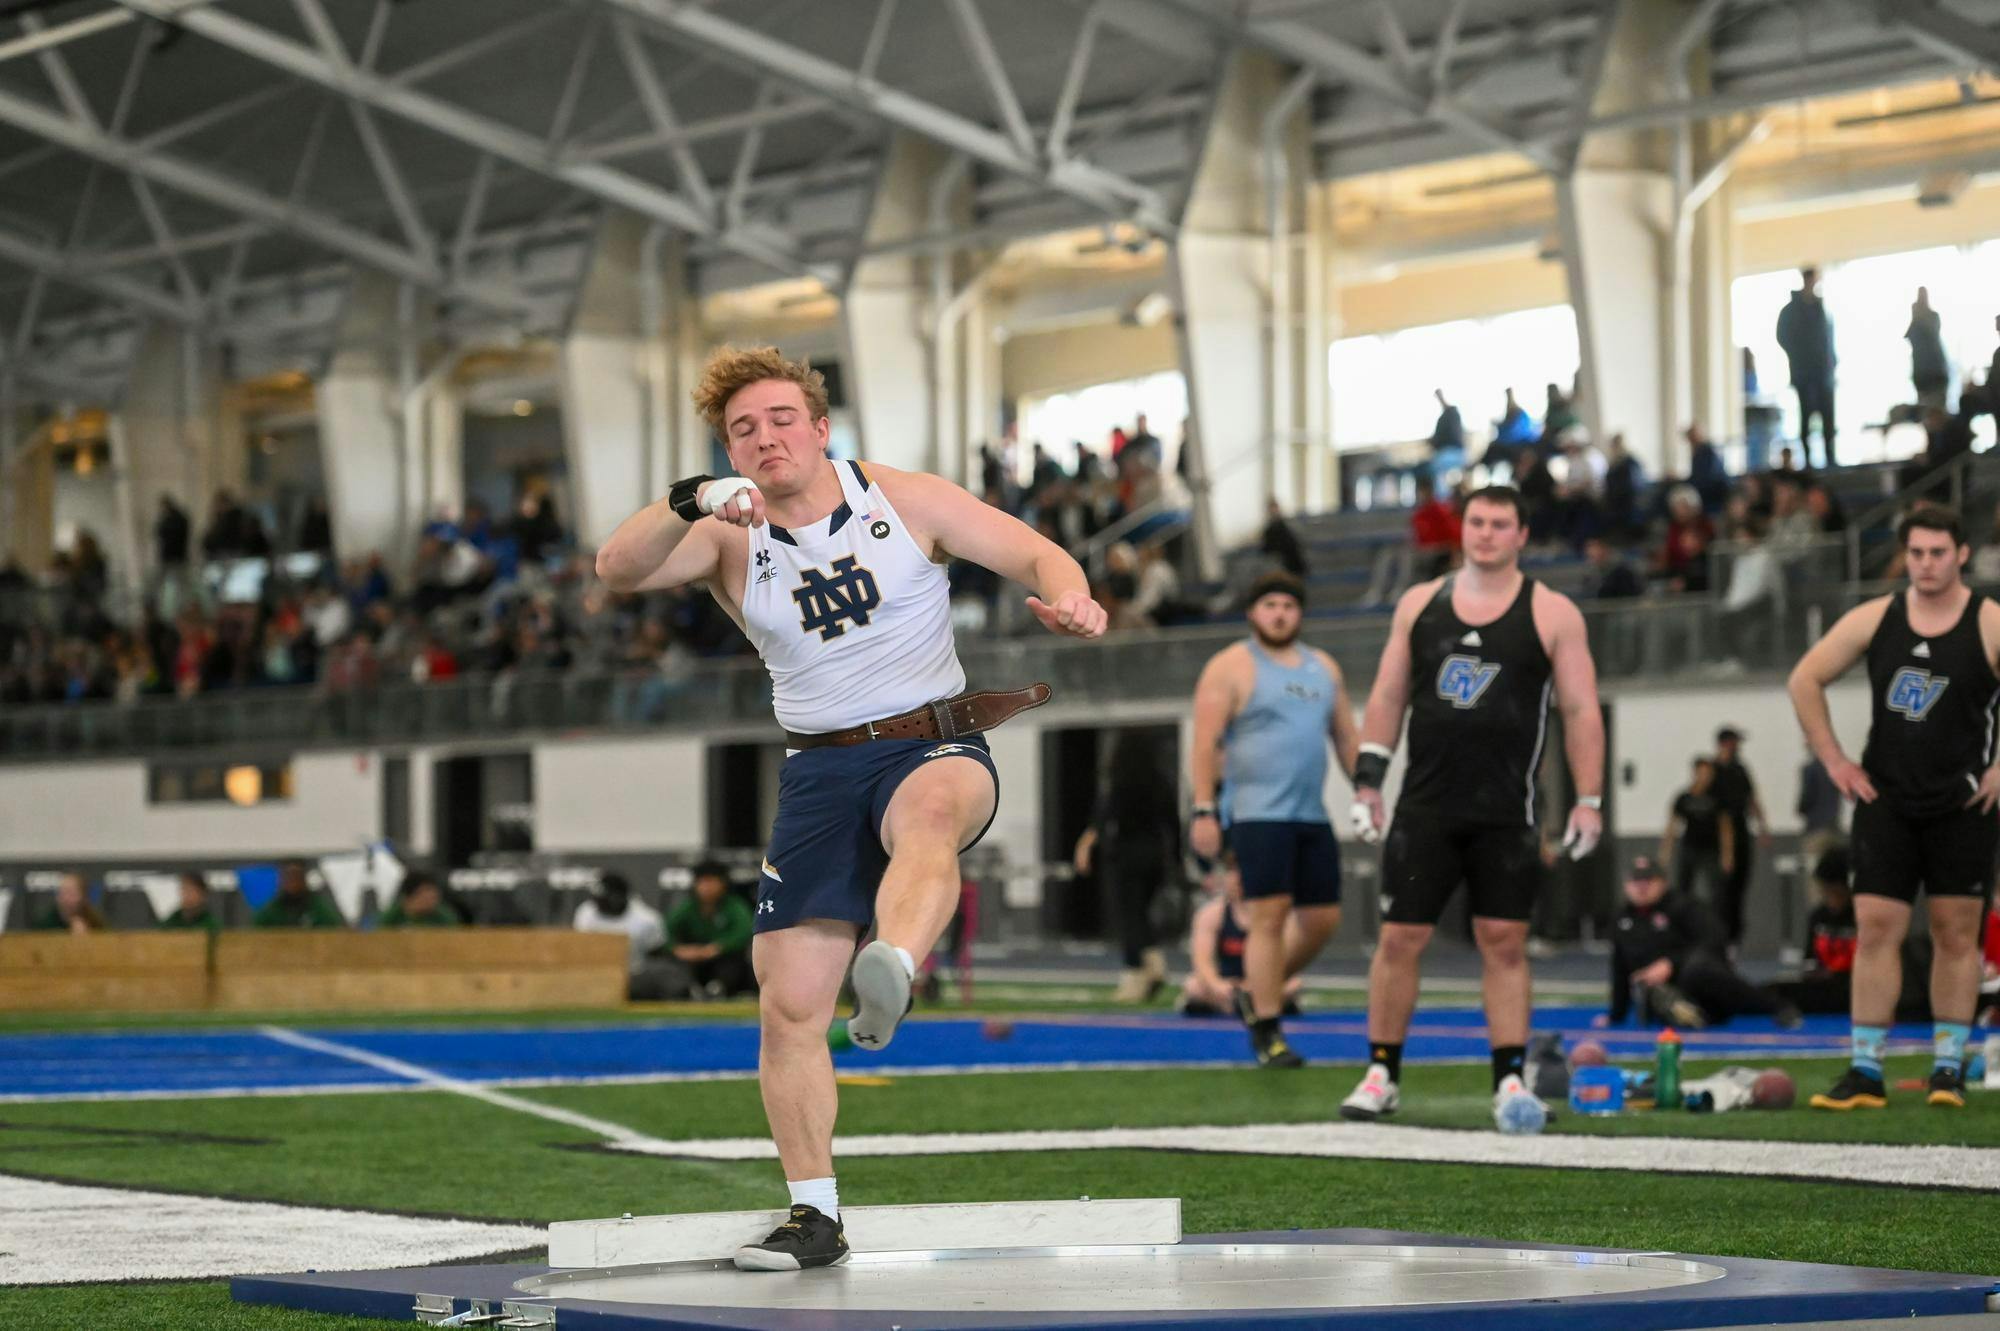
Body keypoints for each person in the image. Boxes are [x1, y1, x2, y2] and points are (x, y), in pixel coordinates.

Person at [594, 344, 1105, 1271]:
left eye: (782, 418)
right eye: (742, 429)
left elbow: (1030, 547)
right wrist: (689, 498)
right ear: (728, 451)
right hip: (820, 770)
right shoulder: (724, 535)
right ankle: (815, 1216)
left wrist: (1067, 595)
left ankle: (895, 963)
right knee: (788, 1004)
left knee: (929, 821)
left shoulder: (902, 499)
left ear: (821, 428)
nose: (766, 437)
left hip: (933, 737)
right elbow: (616, 568)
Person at [1342, 486, 1605, 1126]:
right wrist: (1368, 779)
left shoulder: (1552, 613)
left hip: (1505, 814)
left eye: (1500, 524)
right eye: (1477, 522)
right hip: (1424, 808)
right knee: (1400, 938)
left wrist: (1590, 799)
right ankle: (1382, 1072)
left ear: (1521, 535)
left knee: (1504, 941)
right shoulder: (1420, 604)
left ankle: (1511, 1080)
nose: (1486, 533)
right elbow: (1387, 694)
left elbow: (1579, 710)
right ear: (1463, 531)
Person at [1787, 503, 1998, 1111]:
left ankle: (1949, 1068)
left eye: (1938, 553)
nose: (1927, 564)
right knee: (1877, 930)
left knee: (1957, 934)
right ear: (1904, 556)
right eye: (1916, 553)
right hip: (1885, 798)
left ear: (1961, 554)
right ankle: (1864, 1071)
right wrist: (1833, 761)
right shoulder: (1878, 617)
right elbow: (1805, 678)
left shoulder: (1988, 622)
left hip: (1962, 803)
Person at [1189, 571, 1356, 1068]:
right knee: (1270, 916)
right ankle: (1268, 1028)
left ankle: (1256, 990)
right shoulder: (1230, 667)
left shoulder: (1323, 667)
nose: (1279, 613)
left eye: (1288, 605)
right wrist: (1204, 808)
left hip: (1311, 813)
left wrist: (1367, 787)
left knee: (1323, 920)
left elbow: (1347, 737)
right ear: (1252, 612)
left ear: (1300, 613)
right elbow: (1204, 742)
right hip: (1257, 814)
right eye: (1270, 605)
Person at [1597, 857, 1796, 1029]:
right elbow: (1619, 966)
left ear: (1663, 882)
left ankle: (1775, 1006)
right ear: (1626, 885)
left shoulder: (1683, 907)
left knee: (1699, 968)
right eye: (1636, 881)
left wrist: (1671, 964)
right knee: (1662, 999)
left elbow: (1714, 939)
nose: (1641, 886)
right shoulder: (1621, 919)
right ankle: (1698, 1015)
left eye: (1648, 880)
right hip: (1659, 991)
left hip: (1698, 978)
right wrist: (1616, 1014)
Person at [1073, 729, 1180, 1002]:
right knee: (1143, 913)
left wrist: (1086, 845)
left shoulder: (1119, 782)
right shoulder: (1161, 781)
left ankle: (1137, 973)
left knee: (1129, 916)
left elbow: (1104, 817)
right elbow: (1173, 823)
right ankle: (1153, 961)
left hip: (1125, 854)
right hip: (1155, 854)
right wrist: (1176, 861)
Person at [1178, 857, 1303, 1017]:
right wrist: (1218, 986)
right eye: (1232, 872)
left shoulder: (1277, 914)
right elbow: (1202, 962)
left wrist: (1253, 987)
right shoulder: (1211, 914)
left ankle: (1250, 1005)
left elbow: (1286, 959)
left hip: (1263, 984)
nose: (1239, 878)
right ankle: (1240, 1006)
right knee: (1193, 986)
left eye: (1244, 872)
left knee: (1293, 985)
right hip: (1226, 985)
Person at [1708, 726, 1766, 947]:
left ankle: (1734, 937)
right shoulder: (1712, 770)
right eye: (1734, 742)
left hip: (1741, 830)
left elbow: (1752, 799)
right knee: (1721, 888)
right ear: (1724, 743)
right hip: (1717, 835)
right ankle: (1719, 935)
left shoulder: (1740, 769)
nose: (1737, 747)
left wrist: (1762, 828)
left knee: (1739, 886)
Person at [574, 872, 676, 996]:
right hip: (594, 975)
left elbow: (657, 956)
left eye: (603, 899)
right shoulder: (586, 913)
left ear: (618, 897)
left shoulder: (646, 919)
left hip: (634, 978)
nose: (597, 904)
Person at [1775, 266, 1838, 467]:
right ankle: (1809, 460)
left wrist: (1831, 362)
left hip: (1824, 373)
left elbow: (1827, 340)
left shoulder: (1820, 308)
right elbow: (1783, 337)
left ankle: (1830, 458)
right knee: (1807, 416)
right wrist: (1800, 355)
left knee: (1828, 417)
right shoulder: (1791, 311)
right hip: (1805, 375)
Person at [666, 860, 756, 998]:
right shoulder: (687, 908)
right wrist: (678, 950)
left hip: (724, 959)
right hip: (694, 959)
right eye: (702, 882)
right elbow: (666, 932)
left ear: (723, 883)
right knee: (675, 965)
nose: (706, 887)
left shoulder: (735, 906)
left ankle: (717, 989)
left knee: (733, 963)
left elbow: (743, 933)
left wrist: (717, 948)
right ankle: (689, 990)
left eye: (711, 882)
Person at [1662, 757, 1734, 908]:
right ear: (1694, 774)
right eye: (1702, 773)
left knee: (1717, 891)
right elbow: (1672, 827)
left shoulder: (1718, 798)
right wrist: (1665, 854)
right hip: (1690, 847)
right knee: (1683, 889)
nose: (1705, 777)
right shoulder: (1684, 798)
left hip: (1711, 850)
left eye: (1708, 774)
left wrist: (1727, 855)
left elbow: (1725, 828)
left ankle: (1714, 926)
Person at [252, 859, 344, 928]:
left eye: (296, 877)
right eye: (288, 877)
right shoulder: (271, 911)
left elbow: (333, 928)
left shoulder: (316, 907)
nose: (293, 883)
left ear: (303, 880)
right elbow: (255, 930)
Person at [1907, 286, 1949, 413]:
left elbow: (1932, 334)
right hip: (1922, 372)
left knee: (1938, 410)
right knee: (1925, 411)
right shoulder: (1915, 324)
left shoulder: (1933, 317)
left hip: (1935, 370)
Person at [377, 871, 460, 927]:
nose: (431, 902)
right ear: (409, 897)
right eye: (425, 898)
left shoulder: (443, 916)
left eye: (434, 898)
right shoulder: (392, 916)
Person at [35, 872, 106, 933]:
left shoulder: (95, 922)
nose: (66, 899)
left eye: (71, 893)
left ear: (83, 896)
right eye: (62, 893)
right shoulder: (44, 925)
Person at [1259, 498, 1308, 579]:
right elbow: (1266, 548)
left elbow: (1293, 545)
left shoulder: (1287, 526)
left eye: (1275, 508)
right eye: (1271, 509)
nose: (1273, 511)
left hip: (1291, 564)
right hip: (1279, 563)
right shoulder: (1269, 529)